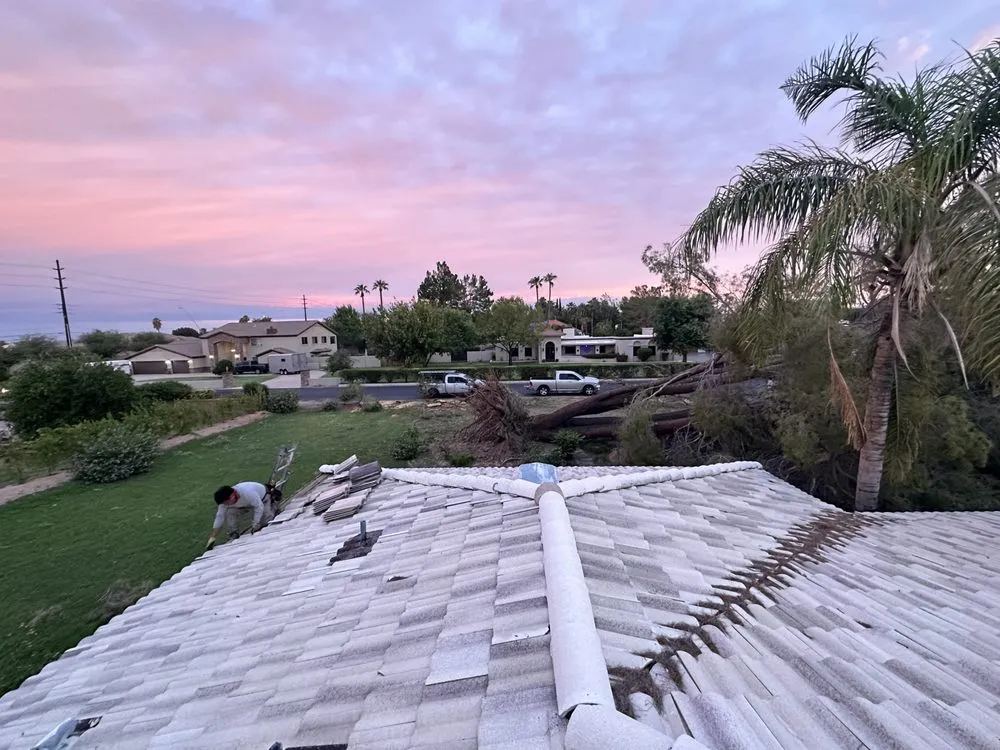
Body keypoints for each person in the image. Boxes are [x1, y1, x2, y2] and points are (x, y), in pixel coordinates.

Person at [205, 481, 282, 550]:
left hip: (263, 499)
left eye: (227, 502)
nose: (226, 505)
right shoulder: (224, 501)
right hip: (244, 505)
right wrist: (213, 537)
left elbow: (259, 507)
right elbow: (220, 516)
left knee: (266, 521)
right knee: (229, 512)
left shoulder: (248, 493)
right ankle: (233, 533)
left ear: (232, 495)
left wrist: (255, 524)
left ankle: (274, 506)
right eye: (225, 503)